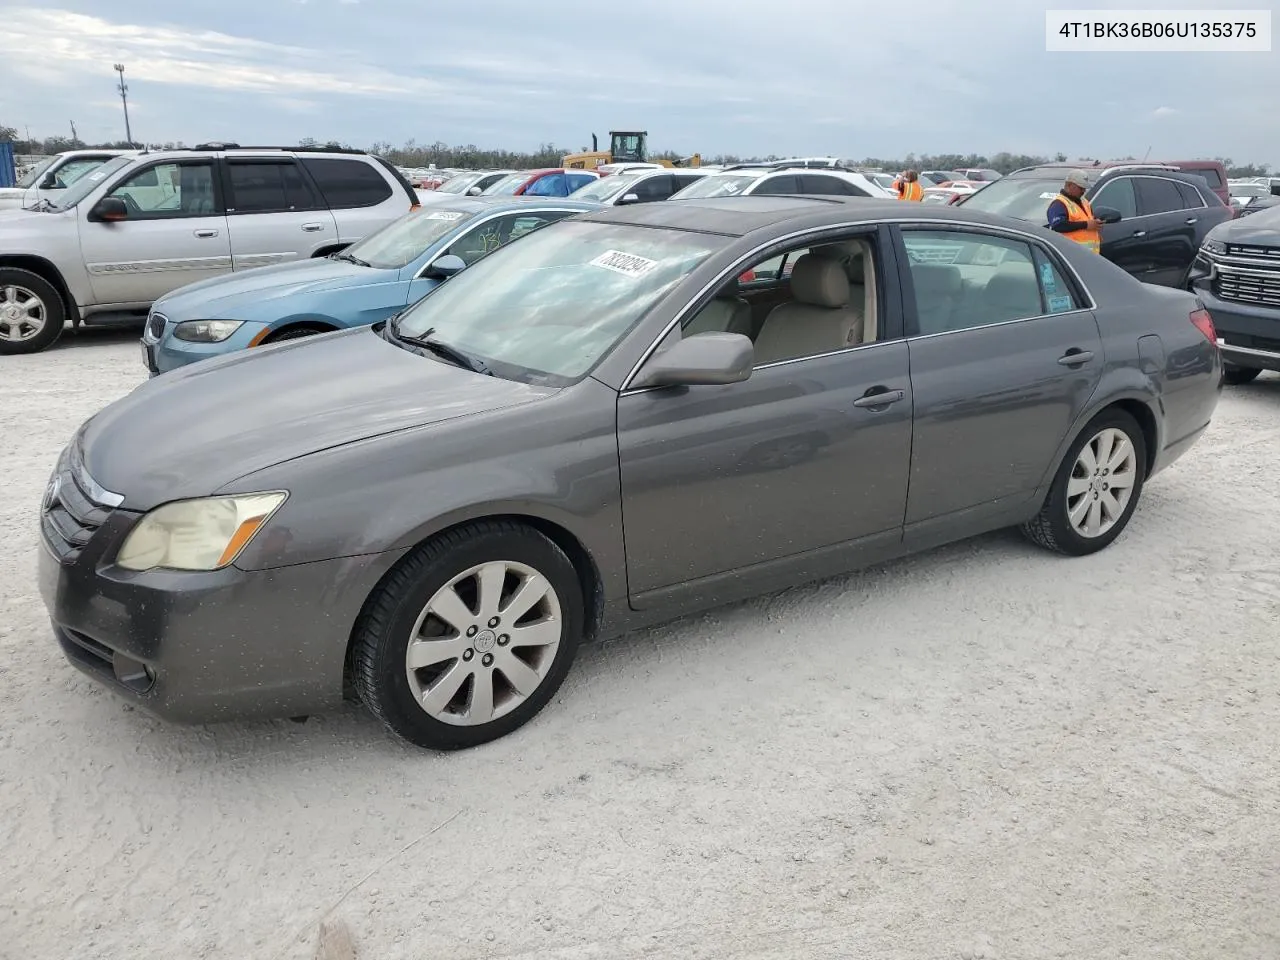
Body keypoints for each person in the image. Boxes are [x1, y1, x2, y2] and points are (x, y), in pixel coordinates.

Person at [1046, 170, 1103, 252]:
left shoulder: (1084, 202)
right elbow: (1058, 225)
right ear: (1069, 185)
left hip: (1088, 256)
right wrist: (1086, 225)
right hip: (1071, 256)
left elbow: (1088, 222)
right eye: (1081, 188)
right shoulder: (1059, 203)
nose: (1083, 191)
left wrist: (1095, 227)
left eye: (1084, 188)